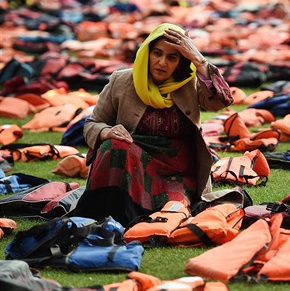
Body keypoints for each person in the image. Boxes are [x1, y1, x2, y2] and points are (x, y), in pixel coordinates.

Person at [73, 23, 234, 226]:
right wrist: (106, 132)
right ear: (146, 53)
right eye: (157, 53)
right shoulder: (121, 81)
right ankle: (113, 212)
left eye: (172, 57)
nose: (162, 62)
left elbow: (224, 100)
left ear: (181, 62)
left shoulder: (190, 83)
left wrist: (199, 60)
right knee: (114, 146)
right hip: (134, 166)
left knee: (172, 212)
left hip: (178, 172)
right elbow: (92, 124)